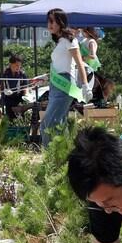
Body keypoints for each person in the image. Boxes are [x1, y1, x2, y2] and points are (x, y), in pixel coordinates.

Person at [40, 8, 89, 145]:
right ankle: (65, 154)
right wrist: (45, 77)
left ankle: (49, 156)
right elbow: (60, 64)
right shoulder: (61, 41)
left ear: (60, 22)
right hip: (56, 85)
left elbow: (79, 63)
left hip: (64, 85)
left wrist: (85, 85)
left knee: (47, 125)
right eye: (48, 21)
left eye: (52, 21)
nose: (49, 24)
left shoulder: (70, 41)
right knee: (59, 124)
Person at [0, 54, 28, 122]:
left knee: (21, 115)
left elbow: (25, 88)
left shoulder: (22, 74)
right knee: (1, 109)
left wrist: (25, 97)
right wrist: (3, 90)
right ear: (11, 64)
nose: (18, 67)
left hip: (18, 97)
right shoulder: (4, 73)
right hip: (6, 97)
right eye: (16, 65)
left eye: (19, 66)